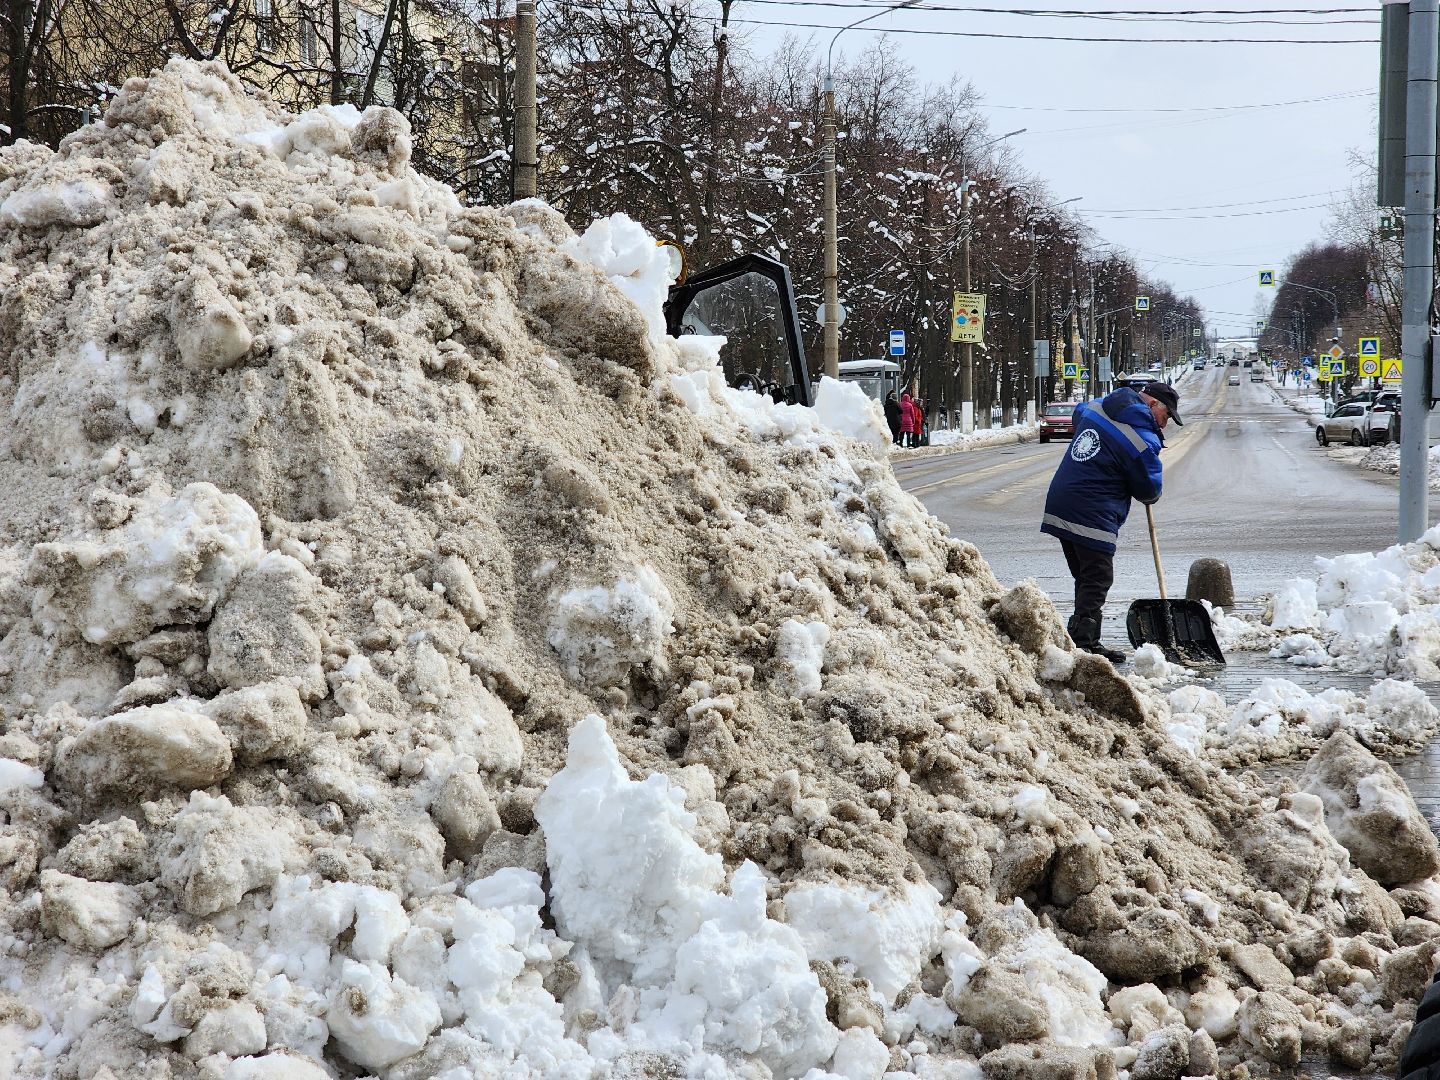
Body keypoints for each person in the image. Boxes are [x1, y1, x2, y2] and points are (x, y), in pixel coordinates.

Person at [1040, 380, 1182, 664]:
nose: (1164, 426)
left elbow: (1078, 413)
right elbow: (1149, 491)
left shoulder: (1097, 407)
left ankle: (1081, 635)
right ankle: (1085, 643)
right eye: (1166, 417)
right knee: (1098, 578)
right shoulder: (1139, 440)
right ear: (1152, 404)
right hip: (1092, 510)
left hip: (1062, 502)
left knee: (1086, 576)